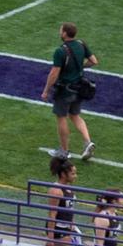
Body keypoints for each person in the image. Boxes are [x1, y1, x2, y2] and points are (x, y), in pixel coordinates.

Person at [41, 22, 98, 159]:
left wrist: (46, 90)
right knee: (75, 116)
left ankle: (64, 151)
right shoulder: (81, 44)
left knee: (61, 118)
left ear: (65, 33)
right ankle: (87, 142)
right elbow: (93, 61)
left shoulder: (61, 51)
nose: (59, 33)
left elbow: (54, 74)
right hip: (79, 88)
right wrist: (80, 68)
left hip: (64, 90)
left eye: (61, 30)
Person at [44, 156, 81, 246]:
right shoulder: (56, 191)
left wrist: (72, 224)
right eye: (73, 174)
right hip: (58, 228)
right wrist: (50, 237)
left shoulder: (69, 188)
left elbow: (70, 208)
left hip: (67, 227)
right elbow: (52, 214)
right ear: (64, 174)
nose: (75, 176)